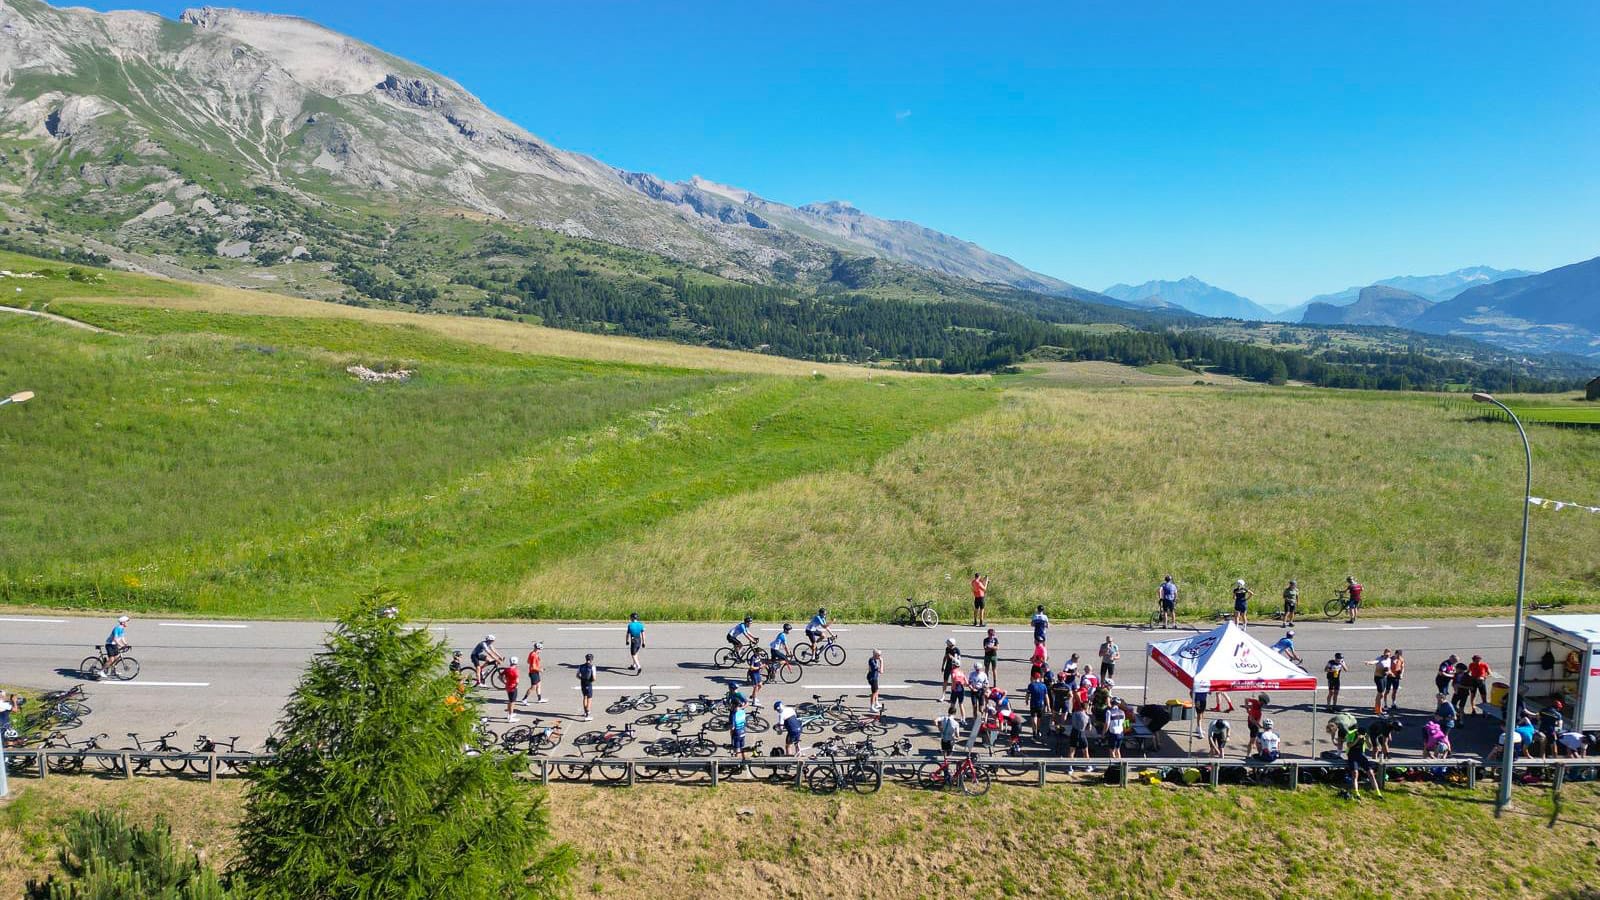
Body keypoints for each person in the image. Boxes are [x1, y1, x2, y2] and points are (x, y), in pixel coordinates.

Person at [1343, 725, 1381, 798]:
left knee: (1371, 772)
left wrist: (1366, 740)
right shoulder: (1351, 734)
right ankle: (1356, 792)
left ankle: (1378, 792)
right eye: (1360, 734)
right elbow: (1349, 745)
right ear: (1357, 732)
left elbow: (1370, 747)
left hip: (1361, 754)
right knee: (1355, 773)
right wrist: (1357, 739)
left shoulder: (1365, 735)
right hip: (1352, 754)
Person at [1026, 670, 1051, 738]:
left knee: (1033, 718)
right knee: (1039, 718)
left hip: (1033, 704)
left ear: (1034, 678)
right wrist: (1048, 706)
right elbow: (1046, 696)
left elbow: (1027, 694)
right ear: (1039, 678)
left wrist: (1026, 701)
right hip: (1041, 705)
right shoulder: (1043, 686)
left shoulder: (1031, 685)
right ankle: (1038, 730)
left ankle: (1034, 732)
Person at [576, 653, 596, 721]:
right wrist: (590, 681)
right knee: (589, 699)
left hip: (582, 682)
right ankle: (588, 714)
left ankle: (585, 712)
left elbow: (577, 675)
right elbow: (594, 678)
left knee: (584, 697)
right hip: (588, 683)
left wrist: (582, 679)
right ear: (592, 659)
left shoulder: (581, 666)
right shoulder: (592, 666)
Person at [502, 657, 521, 722]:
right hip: (513, 687)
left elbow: (500, 676)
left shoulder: (507, 669)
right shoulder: (515, 670)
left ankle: (509, 714)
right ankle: (510, 717)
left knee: (510, 700)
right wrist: (516, 686)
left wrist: (504, 682)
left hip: (508, 687)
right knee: (512, 702)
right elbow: (517, 681)